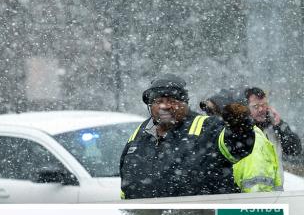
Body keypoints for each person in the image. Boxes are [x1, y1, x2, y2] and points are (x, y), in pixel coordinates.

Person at [120, 75, 255, 199]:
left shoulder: (208, 127)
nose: (164, 106)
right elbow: (126, 187)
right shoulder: (139, 135)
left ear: (185, 103)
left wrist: (240, 124)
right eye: (158, 101)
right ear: (150, 106)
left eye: (171, 101)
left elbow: (240, 145)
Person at [199, 89, 280, 192]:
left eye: (213, 113)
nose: (209, 119)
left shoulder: (248, 139)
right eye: (208, 113)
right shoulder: (224, 138)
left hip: (250, 204)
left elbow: (256, 186)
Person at [245, 86, 302, 180]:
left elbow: (295, 150)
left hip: (275, 189)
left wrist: (279, 125)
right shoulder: (242, 128)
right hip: (249, 190)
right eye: (255, 106)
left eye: (263, 105)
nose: (261, 110)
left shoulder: (276, 125)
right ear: (247, 108)